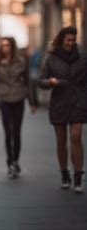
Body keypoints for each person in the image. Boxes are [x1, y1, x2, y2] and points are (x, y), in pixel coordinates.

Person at [38, 26, 87, 192]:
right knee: (61, 141)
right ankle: (64, 173)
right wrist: (50, 82)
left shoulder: (82, 58)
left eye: (73, 40)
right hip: (59, 102)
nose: (71, 43)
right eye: (68, 40)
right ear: (61, 40)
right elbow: (41, 81)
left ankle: (78, 176)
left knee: (76, 137)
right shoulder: (51, 58)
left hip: (78, 102)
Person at [0, 37, 37, 179]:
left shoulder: (22, 61)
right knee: (8, 132)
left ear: (12, 46)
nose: (5, 48)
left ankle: (16, 160)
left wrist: (32, 101)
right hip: (4, 98)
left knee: (16, 132)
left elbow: (28, 81)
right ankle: (9, 162)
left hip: (18, 98)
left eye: (7, 45)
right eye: (3, 46)